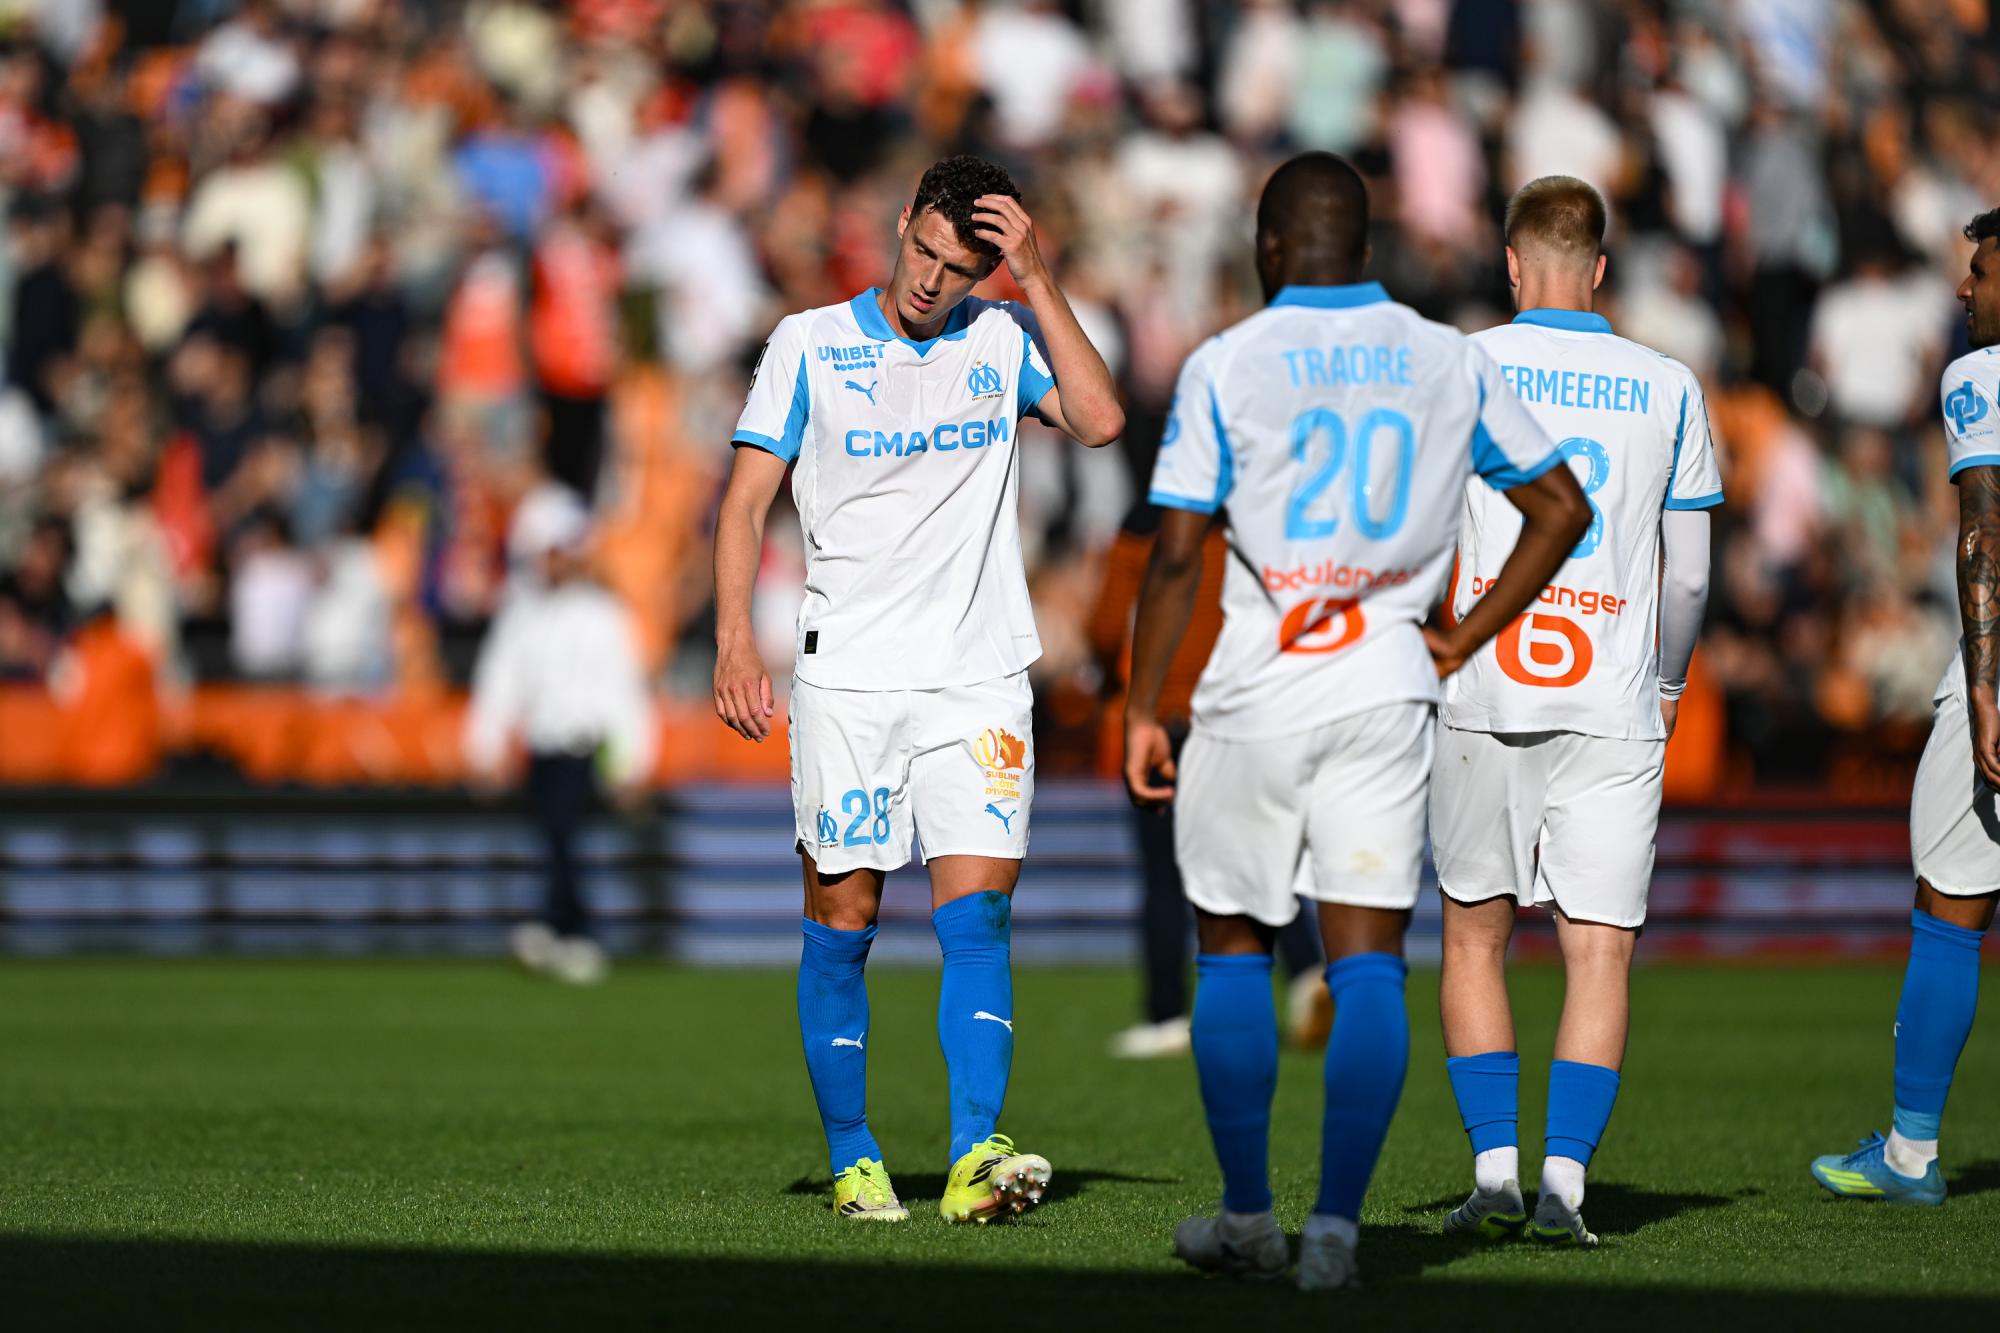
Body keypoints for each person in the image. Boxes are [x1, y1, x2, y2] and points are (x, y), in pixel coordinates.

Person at [1123, 151, 1589, 1290]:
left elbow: (1178, 551)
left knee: (1230, 943)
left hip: (1253, 688)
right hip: (1387, 682)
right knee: (1367, 961)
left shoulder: (1225, 364)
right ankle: (1335, 1229)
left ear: (1266, 251)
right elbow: (1560, 505)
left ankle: (1246, 1216)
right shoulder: (1444, 357)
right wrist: (1463, 634)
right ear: (1370, 252)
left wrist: (1143, 704)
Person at [711, 156, 1122, 1224]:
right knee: (842, 919)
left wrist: (1034, 280)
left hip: (977, 678)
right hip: (846, 678)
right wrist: (731, 641)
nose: (932, 280)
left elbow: (1101, 418)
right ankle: (853, 1159)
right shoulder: (807, 344)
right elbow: (744, 498)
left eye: (960, 266)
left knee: (976, 918)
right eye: (922, 251)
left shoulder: (1000, 340)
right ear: (898, 225)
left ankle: (973, 1156)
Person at [1429, 177, 1724, 1247]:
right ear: (1598, 268)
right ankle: (1565, 1184)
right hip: (1609, 696)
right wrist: (1669, 682)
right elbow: (1686, 577)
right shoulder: (1667, 382)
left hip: (1483, 686)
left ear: (1511, 263)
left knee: (1473, 937)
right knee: (1596, 951)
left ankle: (1493, 1172)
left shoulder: (1461, 364)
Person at [1811, 207, 2000, 1205]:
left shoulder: (1980, 377)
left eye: (1979, 269)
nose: (1963, 289)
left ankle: (1910, 1153)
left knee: (1949, 901)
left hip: (1997, 669)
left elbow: (1981, 529)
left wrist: (1979, 686)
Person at [1090, 507, 1327, 1061]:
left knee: (1166, 879)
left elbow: (1104, 630)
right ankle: (1308, 971)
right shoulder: (1246, 525)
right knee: (1265, 857)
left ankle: (1169, 1013)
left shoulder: (1141, 530)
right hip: (1241, 720)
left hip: (1162, 722)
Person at [465, 483, 656, 985]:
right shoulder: (522, 614)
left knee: (565, 841)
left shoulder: (603, 615)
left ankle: (568, 929)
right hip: (542, 750)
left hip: (583, 751)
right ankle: (561, 928)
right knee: (555, 841)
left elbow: (624, 695)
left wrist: (631, 762)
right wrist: (485, 748)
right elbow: (499, 685)